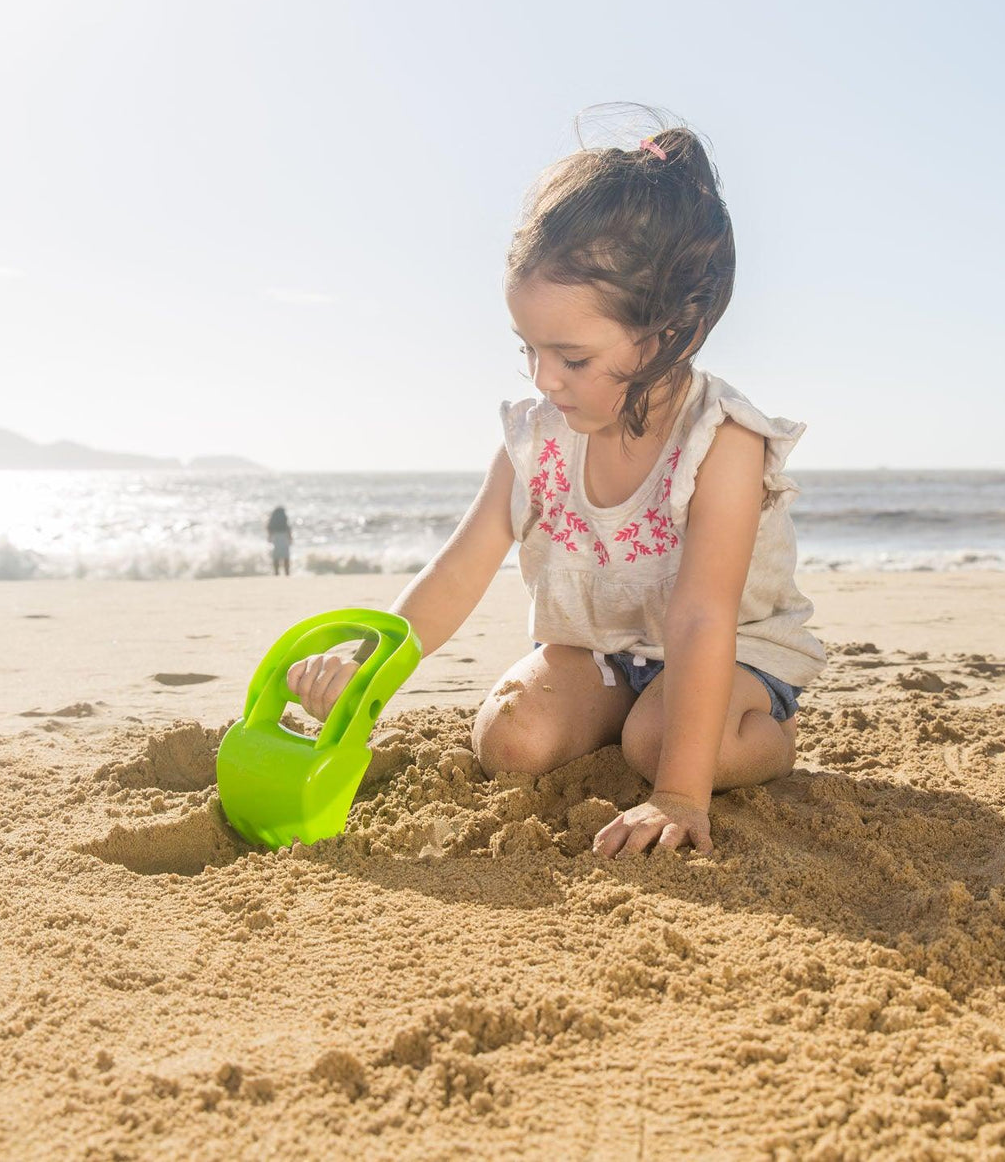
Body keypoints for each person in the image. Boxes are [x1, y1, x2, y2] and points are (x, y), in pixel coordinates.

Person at [287, 105, 827, 860]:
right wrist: (366, 674)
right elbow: (460, 566)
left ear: (671, 333)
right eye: (529, 350)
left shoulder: (722, 442)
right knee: (510, 735)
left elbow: (705, 617)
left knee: (660, 745)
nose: (544, 378)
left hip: (730, 653)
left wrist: (677, 796)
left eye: (572, 358)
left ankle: (767, 737)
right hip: (602, 650)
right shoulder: (535, 438)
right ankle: (623, 717)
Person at [267, 506, 292, 576]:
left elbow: (269, 534)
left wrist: (269, 539)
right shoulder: (285, 523)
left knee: (276, 558)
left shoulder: (272, 524)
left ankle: (276, 573)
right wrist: (290, 540)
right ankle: (287, 573)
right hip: (284, 541)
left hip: (276, 541)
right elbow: (289, 532)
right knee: (286, 558)